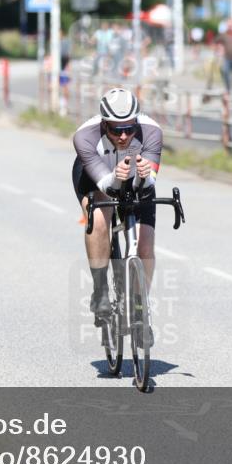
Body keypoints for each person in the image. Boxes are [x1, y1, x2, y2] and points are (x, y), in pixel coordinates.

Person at [72, 88, 162, 344]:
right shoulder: (85, 136)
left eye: (129, 129)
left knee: (145, 243)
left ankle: (140, 309)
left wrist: (144, 176)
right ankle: (100, 290)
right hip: (96, 178)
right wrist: (115, 178)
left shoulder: (152, 131)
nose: (123, 136)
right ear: (104, 124)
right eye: (116, 130)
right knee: (100, 218)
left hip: (135, 179)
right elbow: (106, 186)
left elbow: (149, 183)